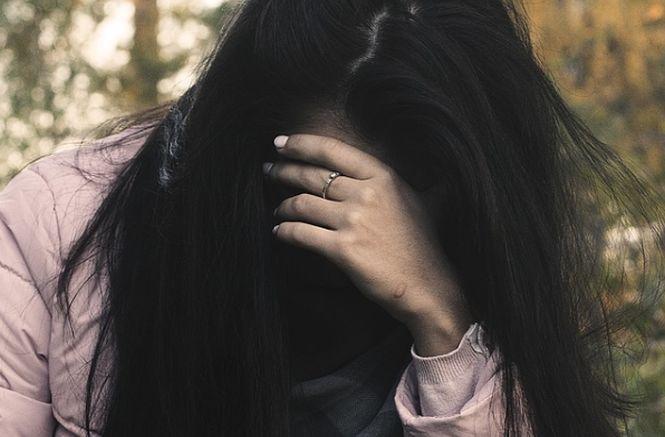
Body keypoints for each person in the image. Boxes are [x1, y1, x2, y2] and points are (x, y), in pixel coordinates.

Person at [0, 0, 661, 436]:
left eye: (410, 190)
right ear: (245, 141)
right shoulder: (58, 226)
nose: (358, 224)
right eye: (319, 179)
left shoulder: (492, 268)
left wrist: (444, 323)